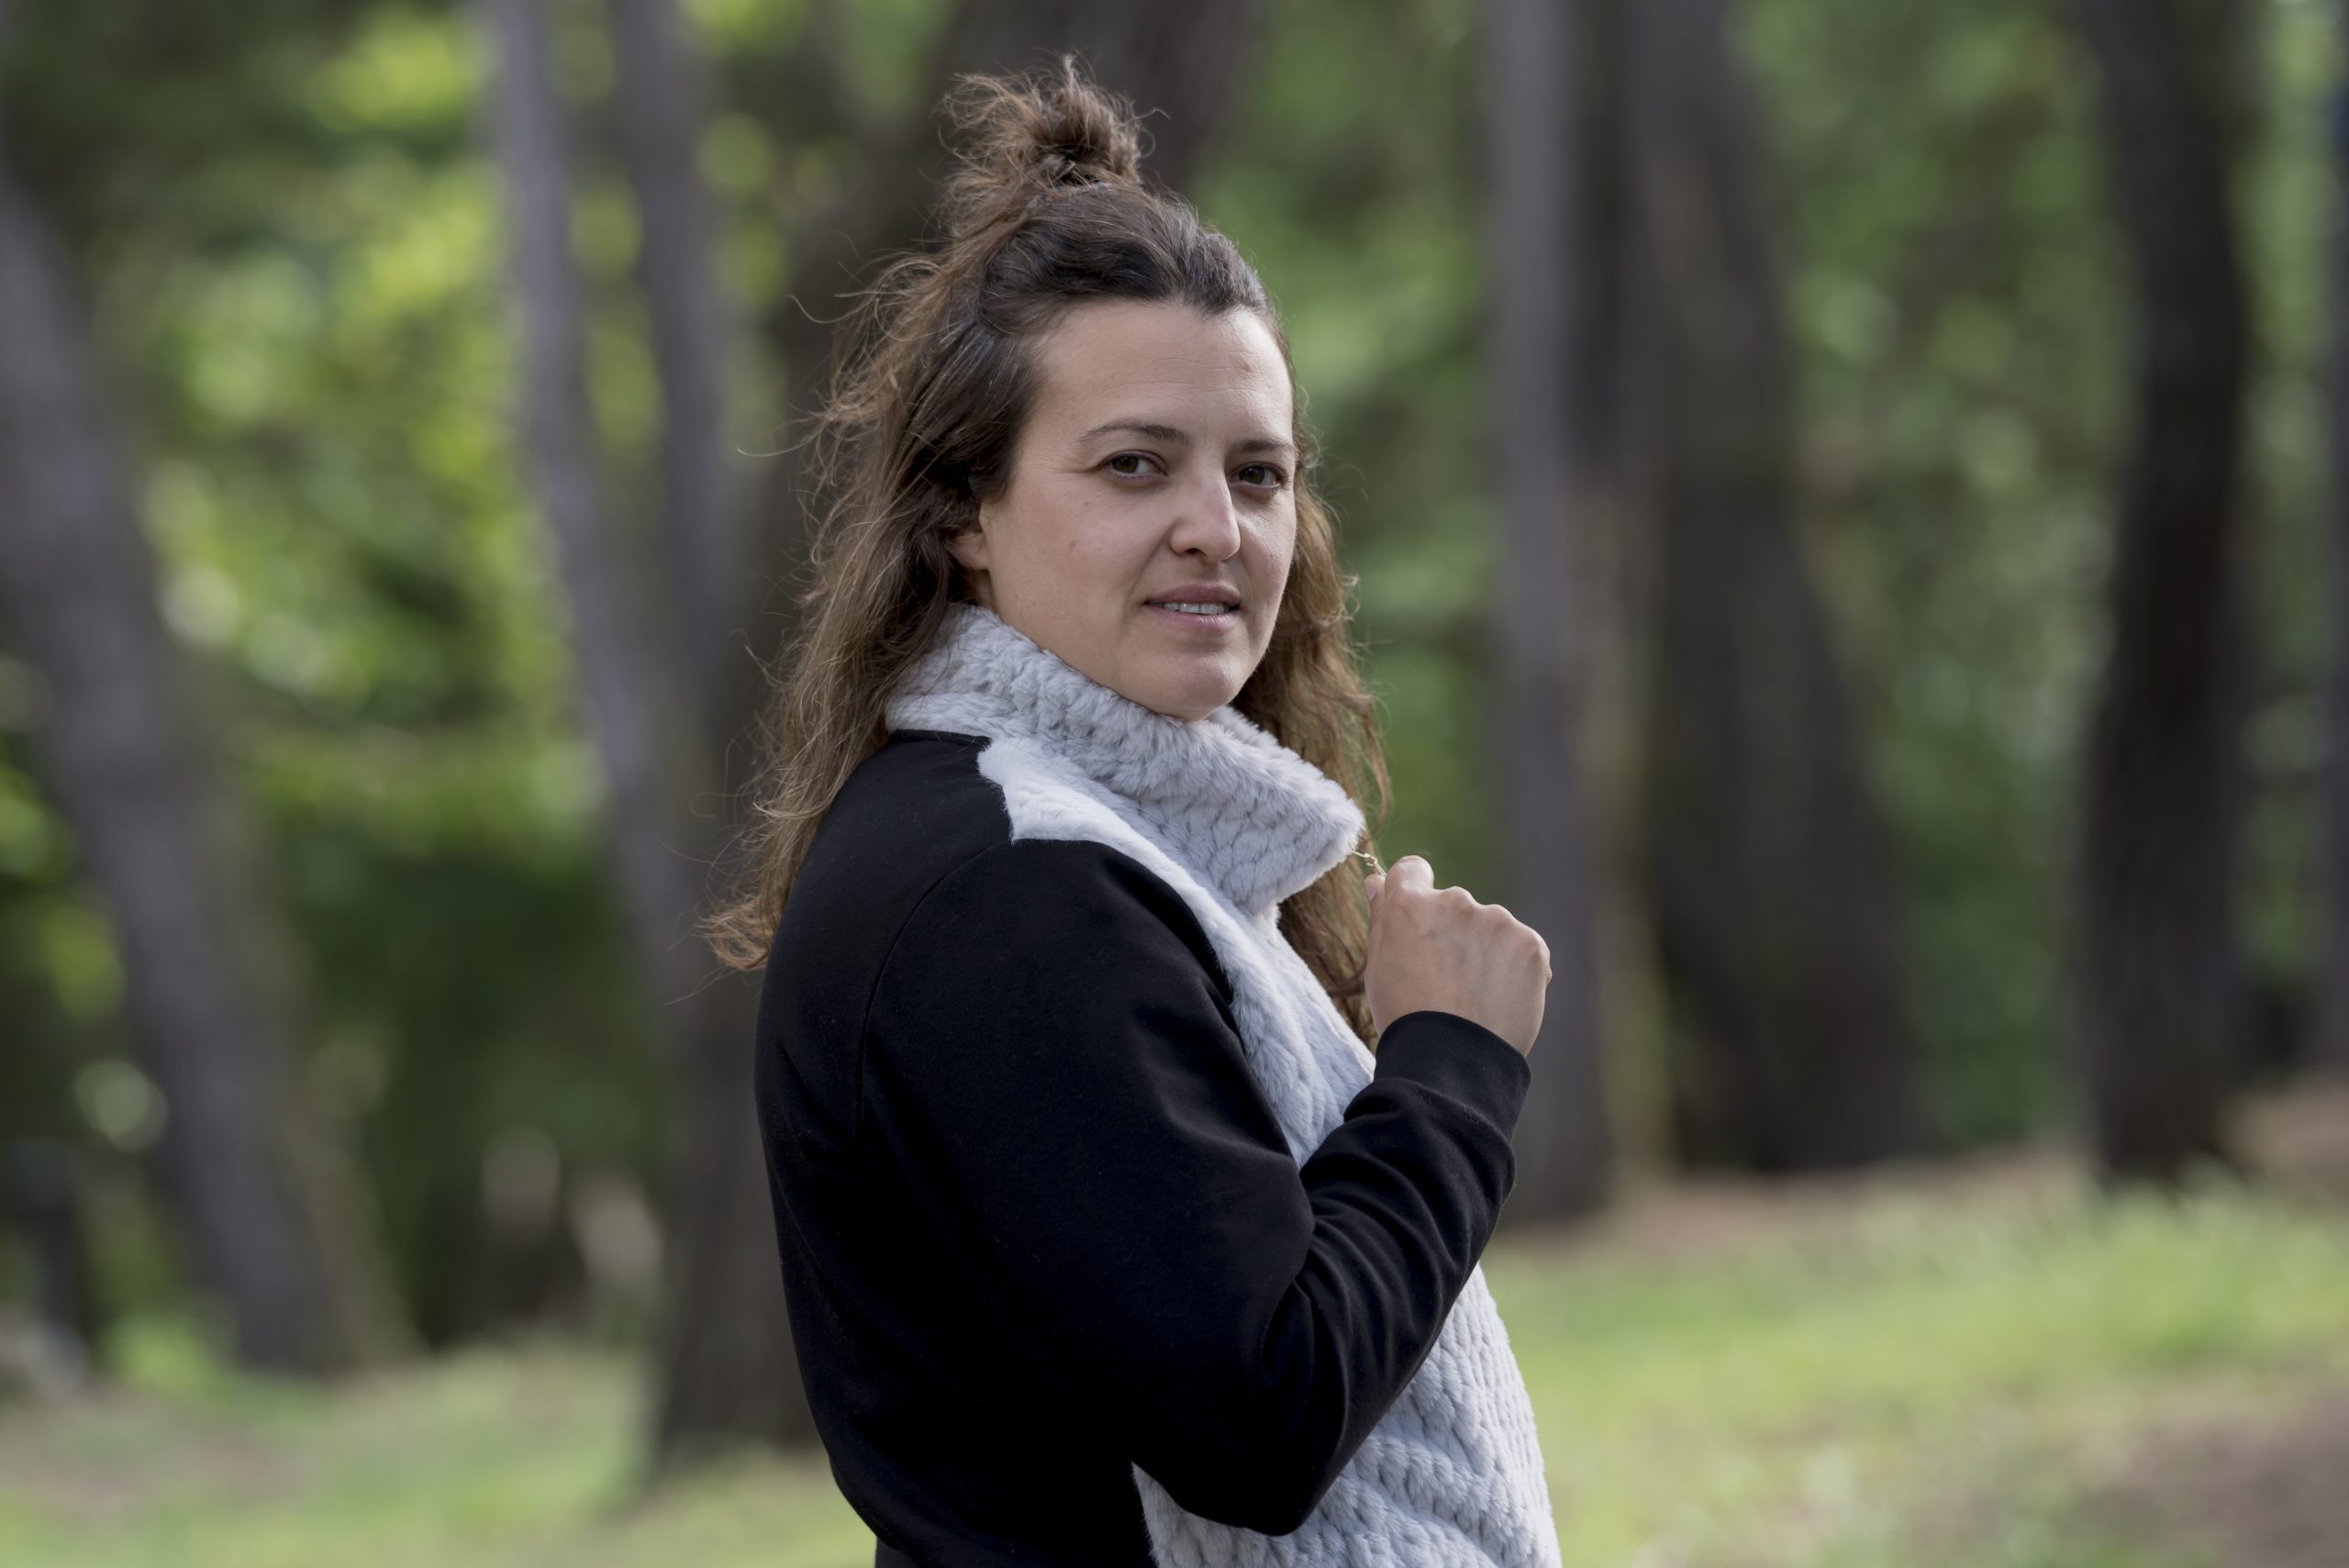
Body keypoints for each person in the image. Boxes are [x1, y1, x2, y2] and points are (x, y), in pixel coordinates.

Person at [707, 53, 1562, 1568]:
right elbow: (1261, 1415)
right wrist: (1446, 1075)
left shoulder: (1061, 838)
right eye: (1132, 466)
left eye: (1259, 472)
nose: (1214, 529)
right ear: (963, 513)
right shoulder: (1011, 884)